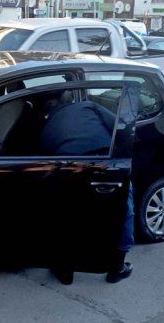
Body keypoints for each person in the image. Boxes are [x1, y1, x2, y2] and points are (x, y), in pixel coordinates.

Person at [40, 91, 134, 285]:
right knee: (123, 211)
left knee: (69, 218)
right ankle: (117, 267)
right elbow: (119, 126)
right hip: (106, 164)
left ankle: (65, 272)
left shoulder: (46, 128)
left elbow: (47, 161)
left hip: (71, 170)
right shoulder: (87, 106)